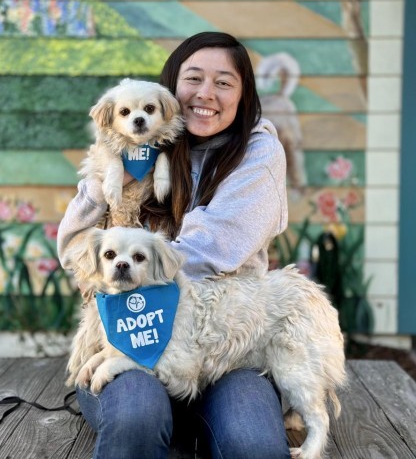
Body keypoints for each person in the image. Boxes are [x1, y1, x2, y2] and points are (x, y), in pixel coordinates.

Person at [57, 31, 290, 459]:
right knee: (136, 419)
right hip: (130, 334)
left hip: (225, 348)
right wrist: (107, 181)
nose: (206, 93)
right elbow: (73, 247)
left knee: (252, 442)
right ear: (171, 88)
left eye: (224, 82)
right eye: (194, 78)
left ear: (243, 95)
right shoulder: (137, 136)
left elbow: (214, 248)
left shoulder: (257, 152)